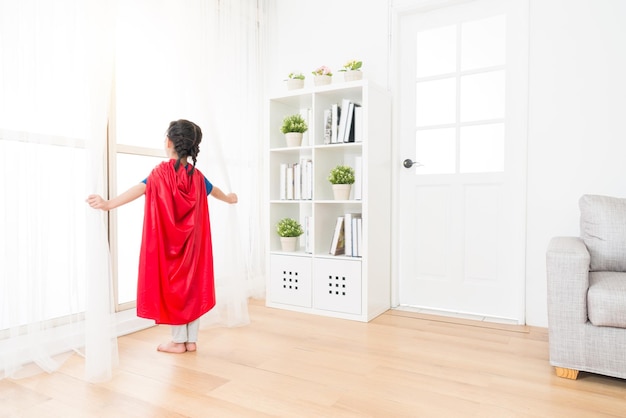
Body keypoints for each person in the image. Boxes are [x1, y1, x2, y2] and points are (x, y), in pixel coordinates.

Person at [86, 119, 237, 354]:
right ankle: (191, 339)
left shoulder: (160, 174)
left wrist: (108, 204)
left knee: (175, 287)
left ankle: (178, 341)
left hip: (170, 245)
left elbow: (139, 189)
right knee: (192, 286)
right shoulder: (197, 176)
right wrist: (228, 198)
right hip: (194, 245)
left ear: (168, 142)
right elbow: (214, 190)